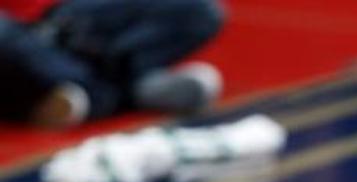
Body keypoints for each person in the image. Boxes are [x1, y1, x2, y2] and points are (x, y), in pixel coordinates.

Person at [0, 0, 223, 127]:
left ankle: (105, 92)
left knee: (199, 10)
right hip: (18, 49)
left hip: (61, 26)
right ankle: (127, 90)